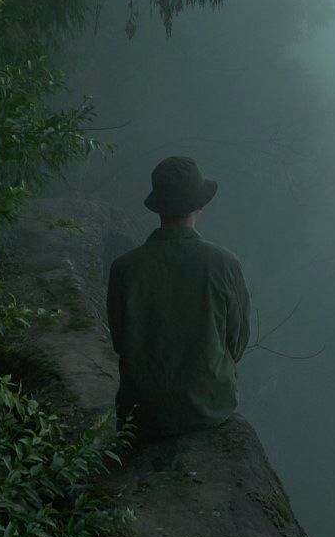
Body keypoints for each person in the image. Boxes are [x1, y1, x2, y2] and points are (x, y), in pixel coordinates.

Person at [107, 156, 252, 440]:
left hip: (142, 413)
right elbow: (237, 343)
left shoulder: (124, 268)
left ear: (159, 207)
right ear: (199, 205)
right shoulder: (224, 264)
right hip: (207, 409)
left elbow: (120, 341)